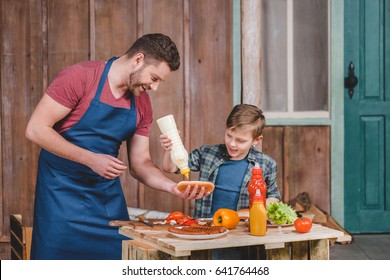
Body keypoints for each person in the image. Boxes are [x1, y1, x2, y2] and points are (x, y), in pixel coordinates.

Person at [25, 33, 207, 260]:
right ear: (138, 59)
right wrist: (91, 159)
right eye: (154, 78)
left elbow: (140, 164)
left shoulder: (142, 103)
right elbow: (36, 129)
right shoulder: (80, 77)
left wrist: (173, 187)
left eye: (159, 81)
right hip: (59, 199)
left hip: (105, 203)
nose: (155, 87)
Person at [160, 104, 281, 218]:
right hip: (205, 227)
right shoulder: (207, 153)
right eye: (229, 136)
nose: (232, 144)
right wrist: (170, 148)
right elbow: (170, 168)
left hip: (241, 229)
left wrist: (255, 211)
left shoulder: (266, 164)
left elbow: (273, 197)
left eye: (240, 140)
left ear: (256, 140)